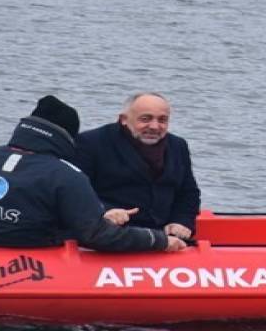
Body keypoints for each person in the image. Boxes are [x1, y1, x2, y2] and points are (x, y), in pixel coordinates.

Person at [0, 95, 185, 252]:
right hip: (21, 254)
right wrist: (158, 240)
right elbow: (96, 235)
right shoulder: (66, 175)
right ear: (65, 138)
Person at [74, 92, 200, 242]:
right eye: (145, 119)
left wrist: (181, 222)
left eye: (162, 120)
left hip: (165, 235)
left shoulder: (178, 146)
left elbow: (188, 193)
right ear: (124, 120)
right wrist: (104, 211)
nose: (154, 126)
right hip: (113, 234)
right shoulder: (91, 143)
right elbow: (76, 192)